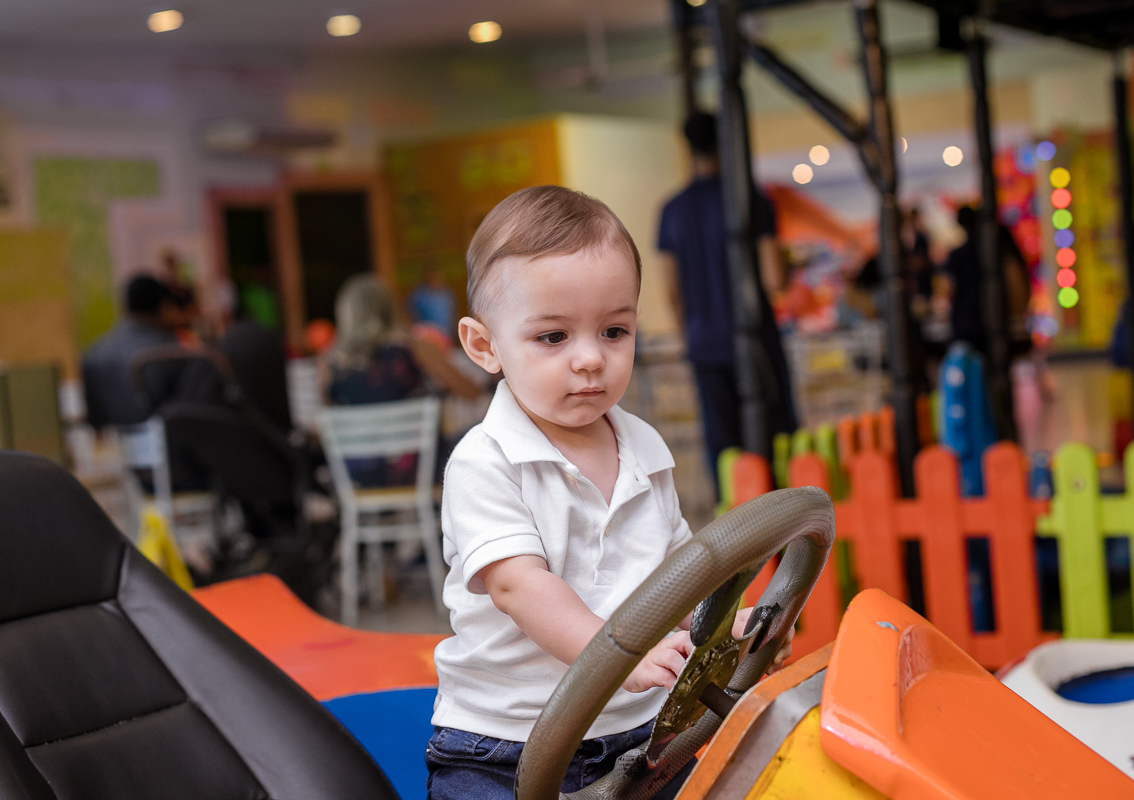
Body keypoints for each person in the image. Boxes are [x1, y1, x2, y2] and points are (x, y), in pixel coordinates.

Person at [426, 186, 791, 799]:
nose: (591, 359)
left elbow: (676, 577)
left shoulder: (643, 447)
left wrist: (724, 628)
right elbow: (520, 586)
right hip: (505, 742)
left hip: (635, 732)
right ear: (484, 345)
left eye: (614, 331)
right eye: (553, 337)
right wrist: (617, 654)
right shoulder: (485, 462)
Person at [657, 112, 797, 497]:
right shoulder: (750, 198)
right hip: (754, 339)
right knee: (771, 437)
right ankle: (781, 533)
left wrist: (689, 335)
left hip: (704, 344)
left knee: (723, 446)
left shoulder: (673, 210)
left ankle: (733, 532)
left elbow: (671, 291)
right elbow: (775, 279)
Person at [326, 273, 479, 488]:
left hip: (356, 478)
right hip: (420, 472)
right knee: (481, 433)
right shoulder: (417, 347)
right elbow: (471, 392)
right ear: (390, 309)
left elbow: (325, 420)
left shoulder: (329, 362)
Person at [82, 275, 185, 430]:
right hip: (165, 445)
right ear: (163, 306)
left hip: (115, 447)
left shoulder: (93, 353)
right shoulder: (172, 352)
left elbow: (95, 420)